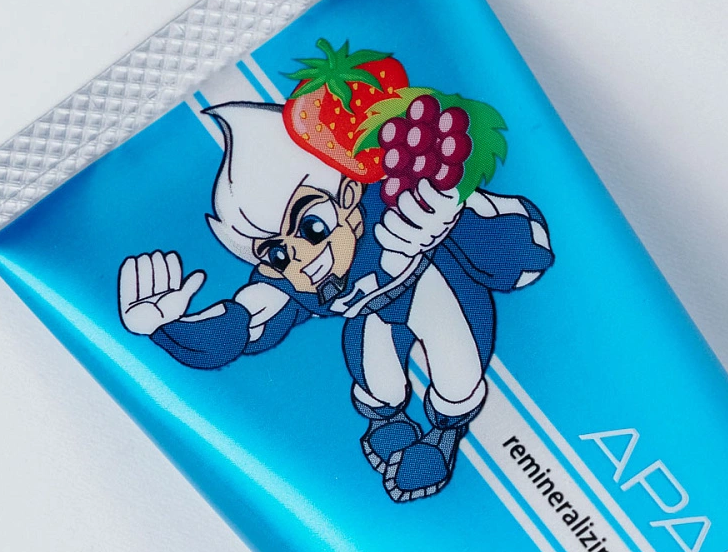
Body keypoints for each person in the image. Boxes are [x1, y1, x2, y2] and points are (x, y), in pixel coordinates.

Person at [118, 102, 553, 502]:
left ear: (347, 195)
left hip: (433, 286)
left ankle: (443, 436)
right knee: (378, 378)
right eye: (276, 253)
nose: (300, 259)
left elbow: (522, 245)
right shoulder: (291, 282)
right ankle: (388, 421)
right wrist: (167, 329)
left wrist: (452, 209)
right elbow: (245, 321)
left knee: (457, 372)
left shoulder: (404, 203)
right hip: (372, 318)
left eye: (309, 227)